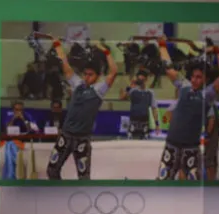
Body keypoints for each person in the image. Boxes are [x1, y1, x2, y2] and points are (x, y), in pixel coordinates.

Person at [156, 36, 219, 180]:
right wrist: (162, 46)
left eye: (199, 77)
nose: (194, 80)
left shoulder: (208, 94)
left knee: (193, 186)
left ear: (205, 79)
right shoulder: (184, 85)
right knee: (162, 182)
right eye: (193, 76)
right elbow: (169, 69)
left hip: (191, 148)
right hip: (172, 144)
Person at [46, 37, 118, 180]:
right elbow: (65, 65)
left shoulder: (99, 90)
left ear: (97, 76)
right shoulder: (77, 84)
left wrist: (107, 52)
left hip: (82, 139)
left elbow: (114, 72)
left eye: (90, 75)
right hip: (66, 135)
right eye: (85, 74)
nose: (86, 77)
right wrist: (57, 45)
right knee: (52, 171)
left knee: (84, 177)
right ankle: (59, 192)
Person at [119, 70, 161, 139]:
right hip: (133, 121)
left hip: (145, 122)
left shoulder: (150, 93)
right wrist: (129, 87)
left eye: (142, 80)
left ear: (146, 80)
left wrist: (157, 124)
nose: (141, 82)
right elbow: (122, 98)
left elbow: (154, 109)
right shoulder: (132, 90)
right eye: (139, 80)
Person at [204, 102, 219, 180]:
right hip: (214, 136)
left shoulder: (209, 105)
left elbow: (211, 121)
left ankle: (211, 182)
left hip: (211, 137)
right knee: (212, 160)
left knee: (209, 160)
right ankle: (213, 181)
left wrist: (207, 135)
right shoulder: (212, 105)